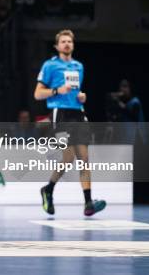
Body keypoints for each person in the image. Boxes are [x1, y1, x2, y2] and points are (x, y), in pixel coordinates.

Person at [34, 29, 106, 217]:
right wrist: (58, 91)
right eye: (63, 41)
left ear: (73, 45)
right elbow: (38, 94)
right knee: (68, 158)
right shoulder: (50, 66)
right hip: (61, 114)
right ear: (57, 46)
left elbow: (77, 92)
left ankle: (88, 203)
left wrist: (82, 97)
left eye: (69, 41)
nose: (67, 44)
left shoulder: (78, 66)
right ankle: (48, 189)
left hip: (78, 113)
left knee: (84, 159)